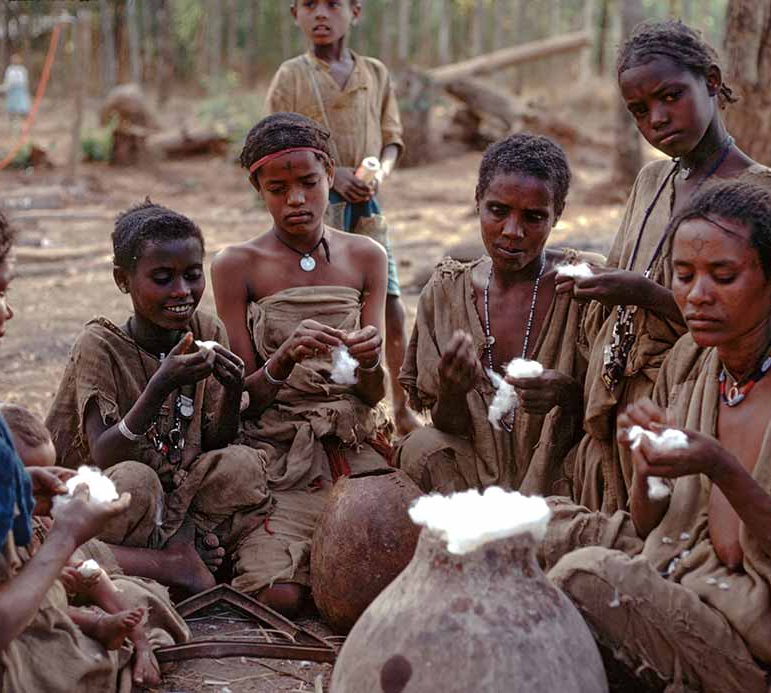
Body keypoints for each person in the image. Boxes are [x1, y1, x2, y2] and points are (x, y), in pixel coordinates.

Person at [540, 181, 771, 692]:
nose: (697, 296)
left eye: (723, 276)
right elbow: (651, 522)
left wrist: (723, 469)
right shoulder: (693, 359)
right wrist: (648, 468)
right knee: (534, 527)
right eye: (683, 275)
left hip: (762, 636)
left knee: (584, 575)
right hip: (681, 570)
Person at [561, 20, 771, 514]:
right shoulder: (652, 179)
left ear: (710, 81)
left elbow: (769, 320)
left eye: (670, 96)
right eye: (640, 111)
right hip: (622, 386)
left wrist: (642, 293)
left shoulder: (754, 187)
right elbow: (629, 264)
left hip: (692, 396)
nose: (657, 119)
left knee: (671, 520)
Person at [0, 199, 184, 692]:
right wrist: (63, 538)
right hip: (2, 635)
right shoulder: (101, 343)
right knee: (119, 627)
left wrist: (20, 481)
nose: (8, 309)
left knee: (132, 600)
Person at [45, 200, 274, 596]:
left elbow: (216, 440)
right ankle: (169, 561)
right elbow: (104, 453)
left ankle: (175, 550)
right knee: (138, 480)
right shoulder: (100, 345)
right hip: (112, 493)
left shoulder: (206, 328)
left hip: (174, 496)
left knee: (242, 464)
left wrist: (234, 387)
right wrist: (159, 387)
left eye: (192, 275)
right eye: (163, 278)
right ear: (123, 280)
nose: (182, 292)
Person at [213, 112, 389, 617]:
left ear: (330, 175)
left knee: (382, 566)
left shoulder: (366, 256)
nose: (296, 200)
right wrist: (284, 358)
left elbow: (373, 395)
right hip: (280, 448)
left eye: (309, 183)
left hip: (351, 441)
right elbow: (245, 398)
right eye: (278, 188)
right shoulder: (236, 265)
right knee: (279, 595)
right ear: (258, 189)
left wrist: (371, 363)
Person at [395, 133, 602, 496]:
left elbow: (609, 412)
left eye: (534, 217)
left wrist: (569, 396)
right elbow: (448, 424)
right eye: (498, 210)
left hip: (561, 476)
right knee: (420, 448)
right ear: (477, 201)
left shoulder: (585, 287)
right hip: (474, 477)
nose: (512, 232)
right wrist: (452, 390)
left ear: (558, 214)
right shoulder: (446, 293)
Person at [265, 0, 419, 435]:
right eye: (309, 5)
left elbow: (392, 140)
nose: (321, 15)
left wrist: (377, 174)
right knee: (315, 303)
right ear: (293, 12)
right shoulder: (291, 76)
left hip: (367, 211)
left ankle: (400, 404)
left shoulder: (375, 73)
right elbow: (271, 148)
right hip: (312, 211)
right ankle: (310, 399)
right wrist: (333, 177)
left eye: (333, 4)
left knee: (389, 303)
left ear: (355, 12)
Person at [0, 403, 188, 688]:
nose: (44, 486)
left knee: (139, 595)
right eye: (25, 477)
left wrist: (140, 640)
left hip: (53, 605)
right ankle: (96, 628)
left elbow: (89, 573)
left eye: (44, 473)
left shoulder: (40, 521)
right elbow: (9, 611)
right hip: (20, 624)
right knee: (50, 639)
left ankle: (110, 630)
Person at [0, 53, 31, 127]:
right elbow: (7, 80)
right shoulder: (10, 69)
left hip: (20, 90)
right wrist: (6, 88)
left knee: (23, 106)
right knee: (12, 107)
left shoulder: (22, 69)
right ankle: (12, 121)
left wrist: (25, 89)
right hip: (12, 90)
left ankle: (25, 121)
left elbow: (25, 80)